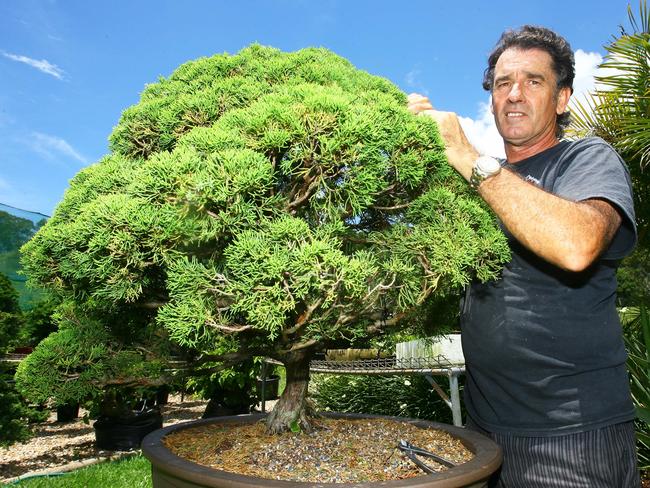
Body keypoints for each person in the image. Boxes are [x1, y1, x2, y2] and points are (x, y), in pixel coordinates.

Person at [408, 25, 640, 487]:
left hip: (573, 437)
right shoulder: (483, 185)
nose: (514, 95)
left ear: (562, 98)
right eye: (501, 84)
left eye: (533, 81)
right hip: (484, 431)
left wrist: (465, 154)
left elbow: (576, 246)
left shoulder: (586, 160)